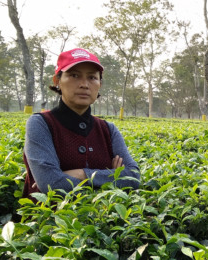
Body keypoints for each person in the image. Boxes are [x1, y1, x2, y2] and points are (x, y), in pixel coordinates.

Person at [23, 48, 140, 200]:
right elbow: (51, 183)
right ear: (57, 81)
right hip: (47, 220)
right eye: (74, 75)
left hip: (102, 220)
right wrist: (112, 178)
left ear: (99, 84)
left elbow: (133, 176)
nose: (84, 84)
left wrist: (80, 174)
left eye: (92, 77)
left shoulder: (108, 129)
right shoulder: (40, 124)